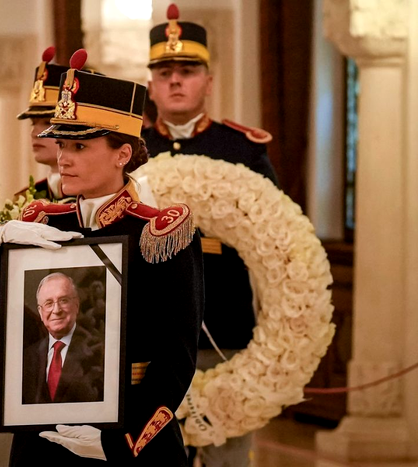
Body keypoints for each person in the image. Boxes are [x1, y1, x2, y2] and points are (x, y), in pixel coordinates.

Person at [0, 48, 204, 466]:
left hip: (126, 435)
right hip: (42, 437)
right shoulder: (41, 224)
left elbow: (177, 357)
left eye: (80, 146)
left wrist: (120, 442)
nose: (64, 157)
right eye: (61, 143)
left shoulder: (159, 234)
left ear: (122, 154)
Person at [142, 5, 280, 466]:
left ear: (209, 81)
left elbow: (274, 234)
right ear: (151, 85)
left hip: (224, 328)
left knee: (227, 455)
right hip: (152, 333)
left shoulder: (240, 149)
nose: (175, 81)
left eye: (187, 71)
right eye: (164, 73)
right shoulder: (130, 151)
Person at [22, 272, 104, 405]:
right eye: (49, 303)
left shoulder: (93, 360)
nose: (56, 310)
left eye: (64, 301)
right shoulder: (27, 356)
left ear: (76, 306)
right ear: (40, 312)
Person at [15, 46, 71, 201]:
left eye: (48, 123)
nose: (35, 133)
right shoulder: (24, 200)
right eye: (33, 123)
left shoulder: (92, 201)